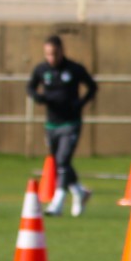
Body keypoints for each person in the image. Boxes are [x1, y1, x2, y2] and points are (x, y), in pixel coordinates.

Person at [27, 35, 98, 217]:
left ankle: (57, 203)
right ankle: (80, 192)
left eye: (55, 53)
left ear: (61, 51)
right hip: (51, 123)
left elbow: (92, 87)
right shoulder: (42, 69)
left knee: (63, 160)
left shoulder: (73, 69)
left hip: (71, 122)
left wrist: (80, 104)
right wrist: (37, 97)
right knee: (60, 161)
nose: (52, 58)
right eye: (48, 54)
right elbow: (30, 87)